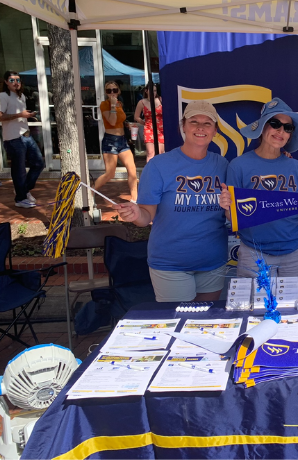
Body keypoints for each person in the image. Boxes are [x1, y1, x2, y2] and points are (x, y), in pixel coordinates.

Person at [219, 98, 298, 295]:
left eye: (287, 128)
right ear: (262, 128)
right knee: (257, 312)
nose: (280, 132)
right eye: (275, 124)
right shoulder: (238, 166)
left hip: (294, 252)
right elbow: (233, 217)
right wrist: (227, 208)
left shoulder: (296, 167)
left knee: (294, 312)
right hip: (255, 253)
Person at [113, 101, 229, 302]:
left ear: (215, 130)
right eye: (194, 122)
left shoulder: (223, 165)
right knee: (180, 325)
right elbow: (145, 217)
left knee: (208, 326)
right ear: (183, 126)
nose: (200, 128)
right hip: (171, 264)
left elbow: (236, 208)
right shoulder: (159, 165)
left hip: (213, 262)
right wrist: (135, 214)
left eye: (207, 123)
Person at [0, 71, 45, 209]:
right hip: (13, 138)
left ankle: (23, 190)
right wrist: (21, 114)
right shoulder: (2, 96)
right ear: (6, 82)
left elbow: (19, 116)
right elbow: (0, 117)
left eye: (18, 80)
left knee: (38, 163)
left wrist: (27, 115)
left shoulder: (21, 96)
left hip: (26, 135)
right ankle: (20, 198)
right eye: (12, 80)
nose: (16, 83)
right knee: (19, 170)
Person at [94, 80, 138, 202]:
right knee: (110, 174)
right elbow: (112, 121)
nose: (112, 92)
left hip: (122, 140)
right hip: (110, 141)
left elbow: (119, 120)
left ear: (118, 91)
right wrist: (112, 105)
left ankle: (135, 199)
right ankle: (90, 192)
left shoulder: (119, 103)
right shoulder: (104, 104)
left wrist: (127, 125)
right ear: (106, 93)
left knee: (132, 170)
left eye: (114, 90)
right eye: (109, 90)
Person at [133, 84, 164, 161]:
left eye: (155, 90)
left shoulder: (160, 100)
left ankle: (161, 171)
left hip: (161, 129)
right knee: (150, 153)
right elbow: (136, 117)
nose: (153, 92)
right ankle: (150, 172)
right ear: (146, 91)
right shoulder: (142, 102)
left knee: (161, 152)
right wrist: (144, 123)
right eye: (151, 90)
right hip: (149, 129)